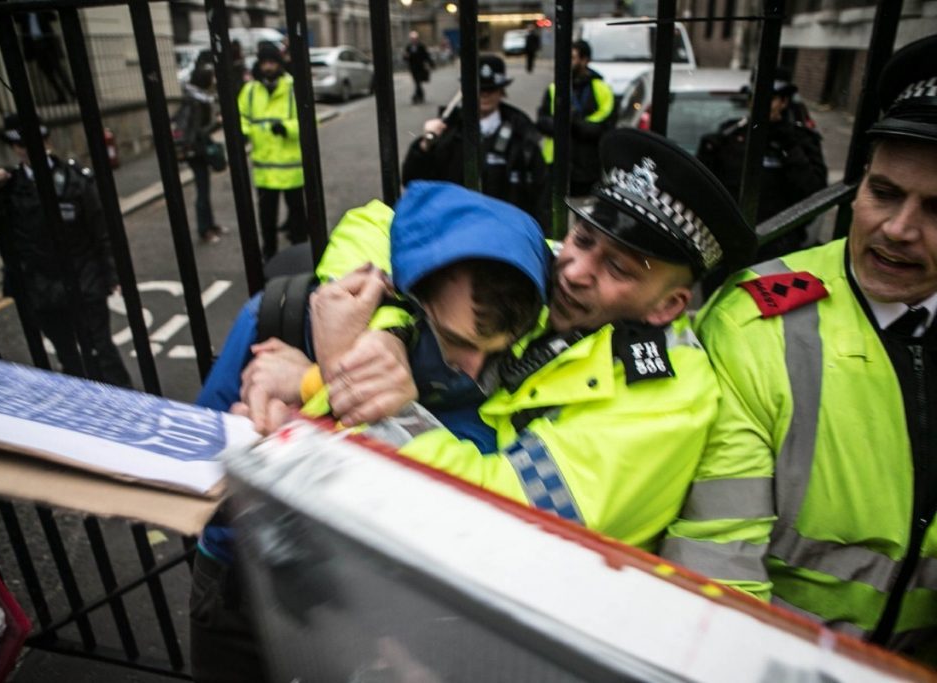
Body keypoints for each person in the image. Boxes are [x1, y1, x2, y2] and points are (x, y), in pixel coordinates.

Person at [310, 128, 758, 552]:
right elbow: (381, 223)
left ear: (666, 307)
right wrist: (389, 326)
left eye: (618, 268)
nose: (574, 270)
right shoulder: (562, 273)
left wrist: (350, 377)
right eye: (582, 238)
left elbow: (499, 518)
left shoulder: (669, 400)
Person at [189, 182, 549, 683]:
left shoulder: (510, 384)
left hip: (370, 613)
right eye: (455, 340)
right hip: (243, 582)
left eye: (494, 348)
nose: (473, 369)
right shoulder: (280, 318)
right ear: (406, 294)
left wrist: (319, 390)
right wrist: (260, 443)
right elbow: (200, 472)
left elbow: (454, 514)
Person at [660, 36, 937, 662]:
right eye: (884, 192)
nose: (898, 229)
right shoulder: (759, 325)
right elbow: (716, 568)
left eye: (936, 209)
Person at [0, 114, 132, 388]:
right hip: (38, 287)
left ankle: (125, 404)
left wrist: (112, 275)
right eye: (21, 144)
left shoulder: (75, 180)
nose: (28, 149)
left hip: (83, 280)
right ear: (15, 147)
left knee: (100, 349)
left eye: (35, 141)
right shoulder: (9, 186)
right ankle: (85, 402)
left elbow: (101, 232)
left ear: (46, 140)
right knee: (66, 353)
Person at [402, 54, 549, 230]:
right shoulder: (447, 130)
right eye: (480, 89)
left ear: (502, 91)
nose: (485, 95)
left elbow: (542, 194)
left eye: (492, 89)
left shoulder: (522, 132)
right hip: (454, 230)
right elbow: (412, 180)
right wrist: (424, 145)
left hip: (507, 233)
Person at [697, 67, 827, 260]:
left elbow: (813, 194)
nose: (759, 104)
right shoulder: (729, 134)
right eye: (754, 97)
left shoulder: (800, 140)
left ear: (783, 102)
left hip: (778, 244)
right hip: (730, 244)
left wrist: (790, 148)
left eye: (769, 99)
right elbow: (707, 191)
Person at [238, 42, 306, 261]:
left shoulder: (293, 87)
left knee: (297, 217)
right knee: (267, 218)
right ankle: (269, 256)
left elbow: (307, 123)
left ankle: (301, 255)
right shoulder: (250, 91)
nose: (268, 67)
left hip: (291, 169)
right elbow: (242, 119)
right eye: (265, 62)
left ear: (279, 64)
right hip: (264, 170)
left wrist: (286, 128)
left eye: (272, 62)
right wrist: (244, 132)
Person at [536, 40, 615, 197]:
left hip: (587, 167)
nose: (567, 62)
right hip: (557, 165)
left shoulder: (601, 88)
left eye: (572, 58)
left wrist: (574, 123)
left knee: (585, 216)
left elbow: (605, 127)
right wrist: (562, 124)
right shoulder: (554, 88)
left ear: (585, 60)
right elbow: (541, 122)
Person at [180, 65, 226, 245]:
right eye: (210, 78)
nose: (213, 81)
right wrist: (217, 124)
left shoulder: (197, 97)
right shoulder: (196, 101)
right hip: (196, 150)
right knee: (202, 190)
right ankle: (204, 229)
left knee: (204, 188)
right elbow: (199, 131)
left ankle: (210, 225)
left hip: (196, 148)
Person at [15, 12, 75, 104]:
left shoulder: (41, 12)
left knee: (59, 71)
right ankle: (61, 95)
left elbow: (53, 17)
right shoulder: (25, 15)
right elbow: (16, 19)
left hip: (48, 45)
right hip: (35, 46)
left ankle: (72, 94)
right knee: (48, 74)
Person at [403, 31, 433, 105]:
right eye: (412, 38)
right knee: (416, 82)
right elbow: (405, 57)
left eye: (415, 38)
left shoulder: (421, 46)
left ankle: (416, 96)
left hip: (420, 67)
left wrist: (431, 64)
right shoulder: (409, 47)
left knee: (418, 82)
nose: (413, 40)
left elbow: (426, 55)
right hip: (413, 67)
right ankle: (420, 95)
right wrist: (406, 57)